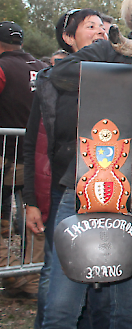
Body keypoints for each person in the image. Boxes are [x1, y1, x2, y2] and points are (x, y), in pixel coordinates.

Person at [39, 0, 132, 329]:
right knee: (62, 308)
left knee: (125, 311)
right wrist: (126, 74)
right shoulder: (108, 49)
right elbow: (57, 75)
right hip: (84, 192)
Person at [22, 8, 107, 327]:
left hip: (104, 191)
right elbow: (33, 144)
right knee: (55, 273)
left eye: (102, 25)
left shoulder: (120, 75)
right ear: (68, 38)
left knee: (96, 269)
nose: (99, 31)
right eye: (90, 26)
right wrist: (31, 199)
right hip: (63, 189)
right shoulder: (49, 82)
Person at [0, 20, 46, 300]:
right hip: (37, 157)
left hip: (5, 157)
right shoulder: (42, 68)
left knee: (4, 214)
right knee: (34, 213)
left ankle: (12, 272)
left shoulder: (2, 68)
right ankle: (30, 276)